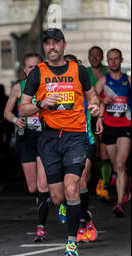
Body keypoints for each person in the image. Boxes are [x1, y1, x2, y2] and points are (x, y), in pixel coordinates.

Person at [20, 28, 101, 256]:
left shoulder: (79, 70)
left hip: (75, 136)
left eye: (56, 42)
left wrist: (95, 106)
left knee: (72, 186)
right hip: (49, 139)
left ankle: (72, 241)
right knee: (56, 197)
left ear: (64, 45)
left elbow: (92, 95)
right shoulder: (37, 73)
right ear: (44, 47)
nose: (52, 47)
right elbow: (24, 107)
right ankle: (72, 209)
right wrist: (41, 102)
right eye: (47, 43)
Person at [4, 53, 51, 242]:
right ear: (24, 70)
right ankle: (48, 199)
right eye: (29, 67)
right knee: (32, 188)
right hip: (25, 138)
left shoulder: (48, 86)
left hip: (44, 137)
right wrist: (17, 120)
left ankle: (41, 227)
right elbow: (6, 112)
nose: (33, 70)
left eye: (36, 66)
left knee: (42, 185)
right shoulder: (18, 87)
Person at [58, 54, 102, 243]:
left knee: (82, 179)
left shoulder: (85, 88)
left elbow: (96, 102)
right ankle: (68, 206)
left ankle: (84, 221)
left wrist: (98, 115)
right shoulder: (56, 89)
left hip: (86, 140)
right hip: (61, 143)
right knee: (65, 187)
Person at [95, 48, 131, 217]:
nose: (113, 62)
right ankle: (125, 185)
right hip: (109, 127)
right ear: (107, 62)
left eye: (116, 59)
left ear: (121, 60)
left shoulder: (128, 80)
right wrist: (103, 99)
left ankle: (119, 204)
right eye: (110, 59)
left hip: (125, 126)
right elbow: (92, 98)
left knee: (119, 165)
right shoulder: (103, 81)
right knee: (116, 167)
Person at [87, 46, 112, 202]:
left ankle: (105, 182)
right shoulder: (85, 73)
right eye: (92, 55)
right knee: (94, 149)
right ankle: (97, 179)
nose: (95, 58)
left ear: (102, 56)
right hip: (90, 115)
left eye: (97, 55)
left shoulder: (108, 71)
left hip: (108, 115)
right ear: (89, 57)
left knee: (104, 149)